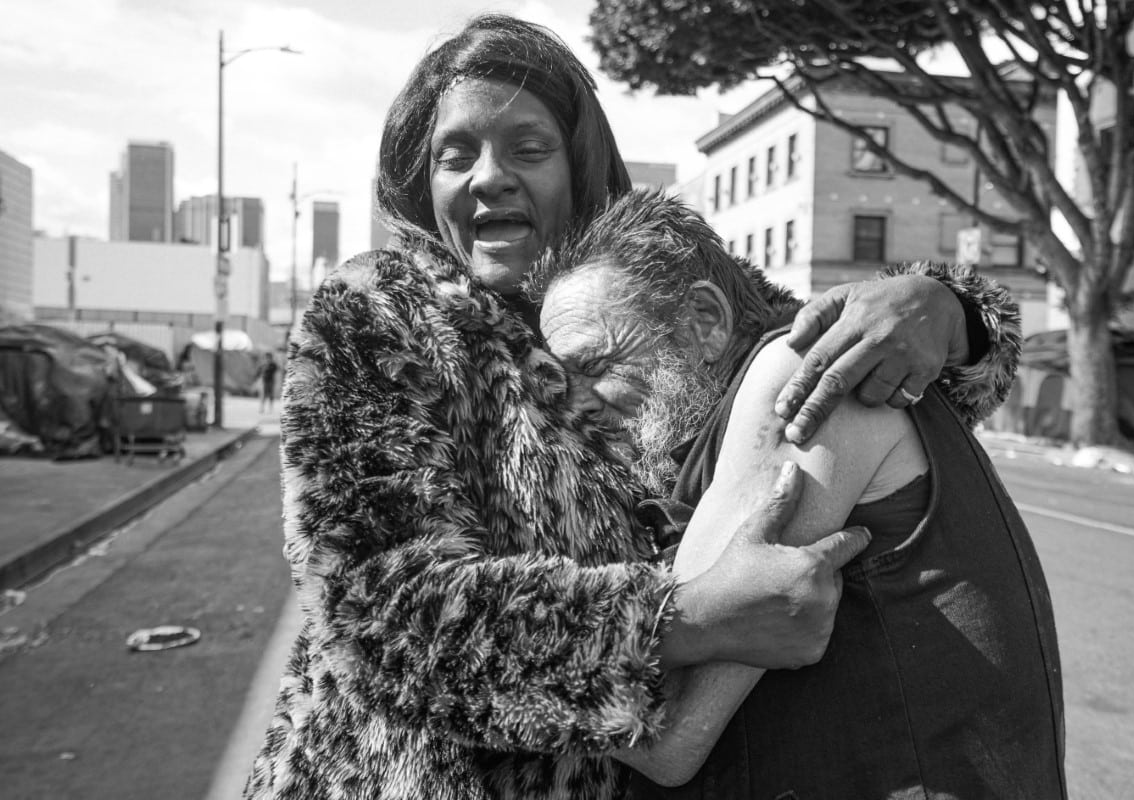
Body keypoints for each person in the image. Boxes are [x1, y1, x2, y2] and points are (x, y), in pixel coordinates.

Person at [243, 14, 1020, 800]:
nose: (488, 176)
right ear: (422, 181)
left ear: (579, 164)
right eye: (456, 154)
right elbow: (379, 612)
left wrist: (951, 313)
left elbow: (832, 366)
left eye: (528, 147)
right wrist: (678, 623)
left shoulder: (641, 285)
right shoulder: (377, 315)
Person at [529, 189, 1065, 798]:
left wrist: (466, 667)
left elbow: (664, 732)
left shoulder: (800, 373)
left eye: (595, 363)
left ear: (704, 322)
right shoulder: (710, 427)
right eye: (561, 381)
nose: (578, 403)